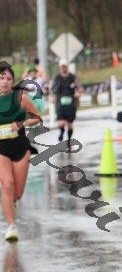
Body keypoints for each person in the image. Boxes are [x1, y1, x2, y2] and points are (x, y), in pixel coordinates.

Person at [0, 62, 42, 242]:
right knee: (7, 185)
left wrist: (21, 123)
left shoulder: (20, 98)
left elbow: (37, 118)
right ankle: (11, 227)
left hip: (20, 148)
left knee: (17, 193)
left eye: (8, 78)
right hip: (1, 149)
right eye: (1, 78)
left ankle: (10, 204)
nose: (5, 82)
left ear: (12, 81)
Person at [51, 59, 80, 148]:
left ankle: (69, 141)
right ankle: (61, 132)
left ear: (67, 67)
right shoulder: (57, 77)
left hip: (71, 102)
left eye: (65, 66)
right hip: (60, 102)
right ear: (60, 67)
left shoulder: (72, 77)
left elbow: (78, 87)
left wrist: (77, 93)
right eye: (62, 66)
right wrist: (53, 97)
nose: (63, 68)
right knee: (61, 123)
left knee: (70, 124)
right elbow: (53, 89)